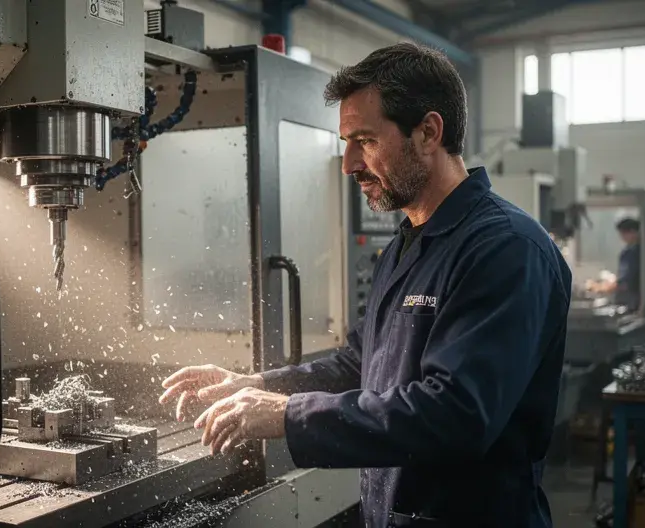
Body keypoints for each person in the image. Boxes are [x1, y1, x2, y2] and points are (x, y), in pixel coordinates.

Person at [158, 43, 572, 528]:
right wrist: (257, 385)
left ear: (428, 132)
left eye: (365, 141)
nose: (347, 164)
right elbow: (361, 362)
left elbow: (457, 415)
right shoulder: (408, 242)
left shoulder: (505, 250)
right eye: (346, 143)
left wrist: (290, 415)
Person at [611, 217, 641, 311]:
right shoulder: (626, 252)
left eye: (624, 234)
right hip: (625, 300)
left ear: (633, 232)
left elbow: (631, 279)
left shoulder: (641, 253)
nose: (622, 237)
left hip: (635, 300)